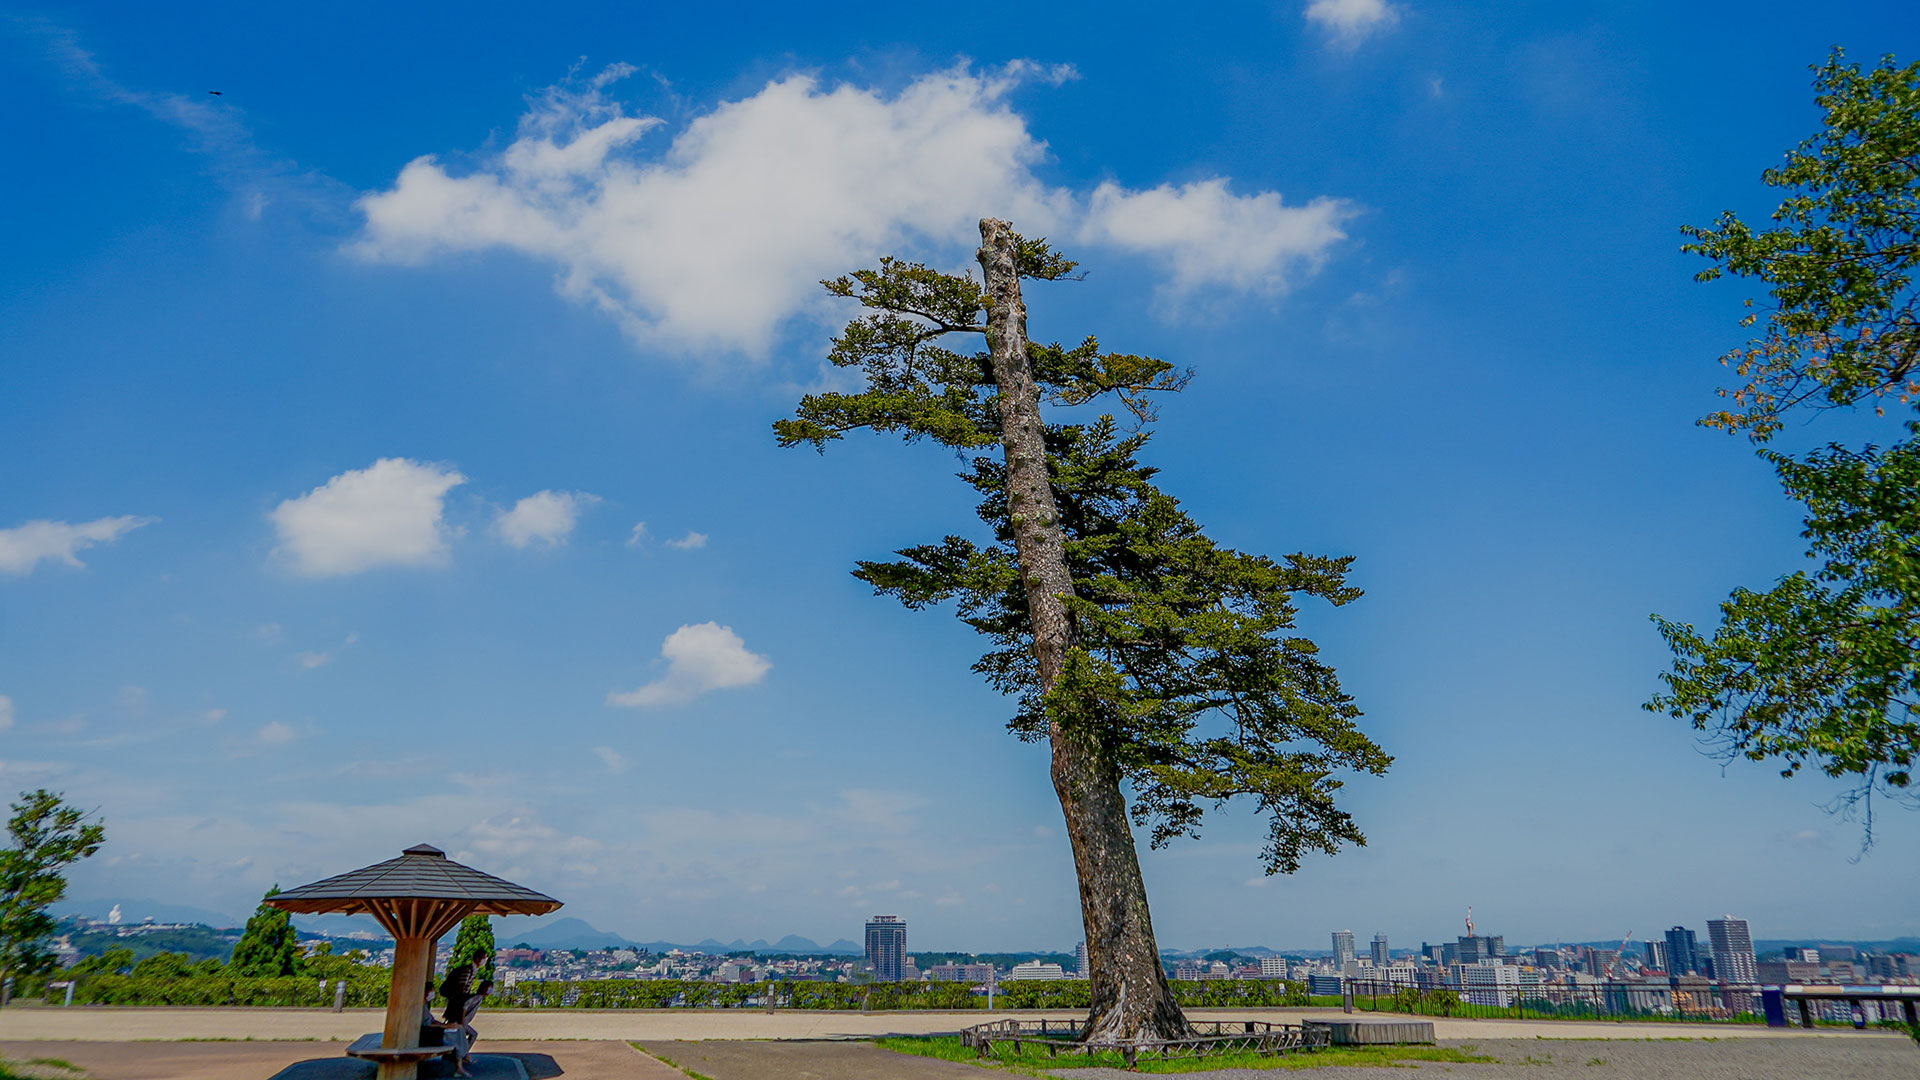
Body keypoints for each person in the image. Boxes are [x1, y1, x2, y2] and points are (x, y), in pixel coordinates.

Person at [421, 976, 473, 1078]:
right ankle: (461, 1060)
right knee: (455, 1033)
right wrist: (445, 1026)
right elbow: (427, 1024)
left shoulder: (424, 1007)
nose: (433, 993)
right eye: (432, 991)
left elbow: (432, 1021)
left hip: (433, 1031)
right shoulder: (420, 1008)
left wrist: (446, 1025)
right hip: (430, 1034)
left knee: (459, 1029)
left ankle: (461, 1060)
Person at [439, 959, 480, 1076]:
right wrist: (463, 999)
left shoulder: (471, 970)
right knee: (459, 1034)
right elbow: (462, 988)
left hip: (455, 1008)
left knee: (459, 1034)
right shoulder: (468, 971)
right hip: (456, 1008)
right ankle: (461, 1061)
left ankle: (462, 1059)